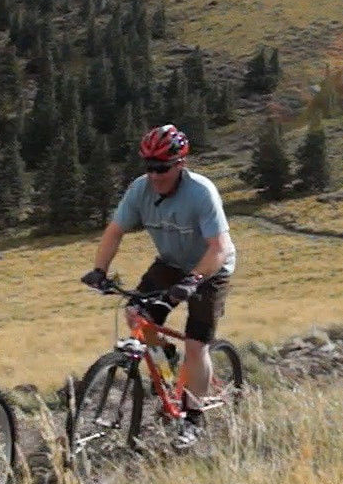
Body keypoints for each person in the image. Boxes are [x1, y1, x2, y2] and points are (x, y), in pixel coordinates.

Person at [83, 123, 235, 448]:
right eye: (149, 166)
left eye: (162, 168)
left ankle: (193, 418)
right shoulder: (140, 189)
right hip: (171, 263)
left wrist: (194, 280)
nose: (154, 175)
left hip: (210, 268)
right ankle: (166, 362)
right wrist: (99, 270)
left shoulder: (200, 192)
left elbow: (219, 248)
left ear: (180, 164)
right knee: (136, 314)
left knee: (196, 345)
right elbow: (114, 231)